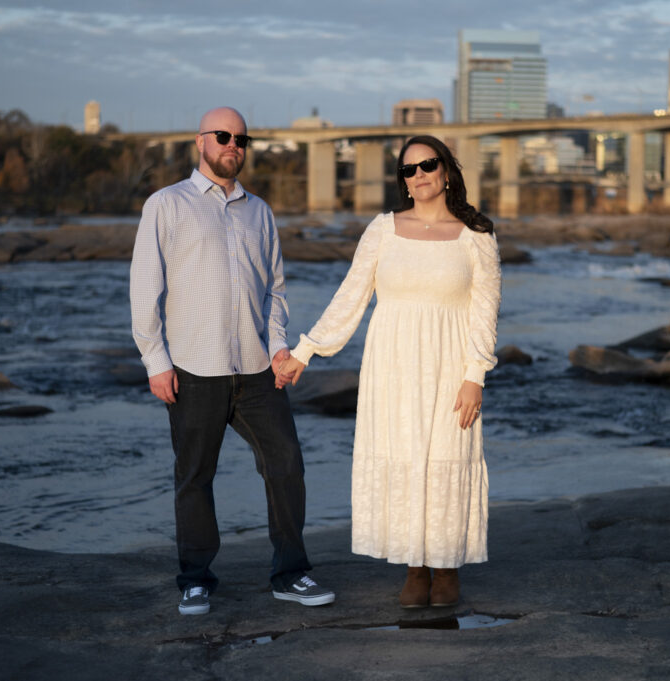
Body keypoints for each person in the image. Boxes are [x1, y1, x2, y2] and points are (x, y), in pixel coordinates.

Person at [276, 135, 501, 608]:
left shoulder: (476, 235)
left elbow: (485, 311)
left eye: (427, 165)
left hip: (450, 361)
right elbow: (351, 295)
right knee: (404, 457)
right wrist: (306, 350)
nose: (418, 175)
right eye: (408, 170)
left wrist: (475, 375)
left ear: (446, 171)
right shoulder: (382, 229)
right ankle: (414, 567)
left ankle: (446, 567)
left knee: (445, 457)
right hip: (394, 364)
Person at [130, 106, 334, 616]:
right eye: (223, 136)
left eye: (242, 139)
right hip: (194, 368)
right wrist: (156, 360)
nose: (233, 146)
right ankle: (195, 578)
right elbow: (144, 289)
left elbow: (277, 292)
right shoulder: (166, 205)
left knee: (286, 462)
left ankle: (291, 574)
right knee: (195, 475)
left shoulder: (260, 212)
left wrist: (279, 344)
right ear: (200, 141)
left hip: (257, 368)